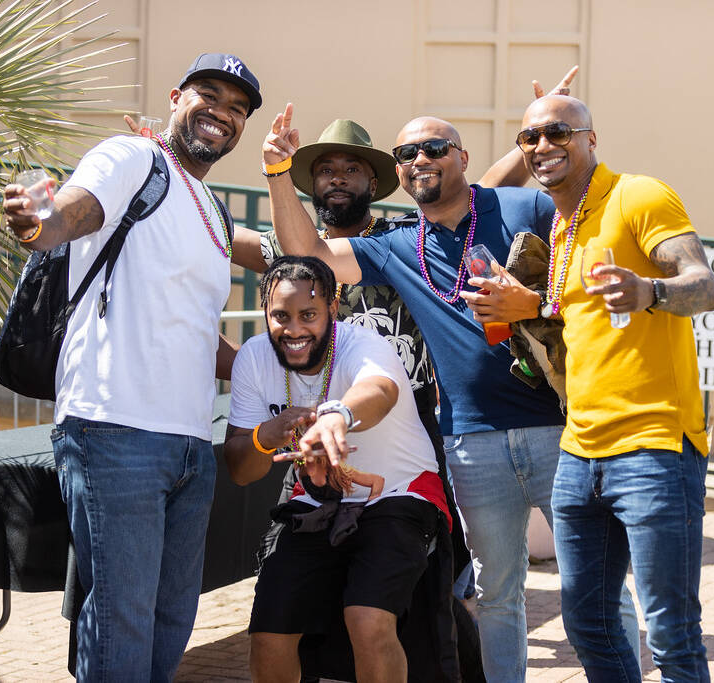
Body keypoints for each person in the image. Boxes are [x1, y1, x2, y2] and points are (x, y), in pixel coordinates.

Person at [263, 103, 640, 681]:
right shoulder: (396, 246)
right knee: (495, 591)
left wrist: (537, 303)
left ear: (463, 158)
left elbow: (591, 272)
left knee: (594, 582)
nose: (420, 160)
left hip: (560, 432)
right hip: (470, 441)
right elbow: (308, 257)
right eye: (407, 153)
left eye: (434, 148)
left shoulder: (524, 207)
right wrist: (278, 171)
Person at [1, 52, 263, 681]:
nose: (221, 114)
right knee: (122, 616)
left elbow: (194, 330)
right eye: (209, 95)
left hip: (191, 443)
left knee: (172, 616)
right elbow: (71, 212)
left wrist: (268, 372)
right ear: (177, 97)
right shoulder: (131, 158)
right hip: (114, 429)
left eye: (237, 108)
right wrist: (42, 222)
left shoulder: (211, 206)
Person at [466, 94, 714, 681]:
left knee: (671, 632)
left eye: (558, 132)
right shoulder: (560, 227)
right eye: (529, 137)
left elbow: (704, 286)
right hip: (579, 452)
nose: (542, 146)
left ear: (590, 138)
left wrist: (650, 291)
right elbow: (575, 322)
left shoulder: (639, 195)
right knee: (590, 625)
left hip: (654, 447)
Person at [224, 255, 450, 683]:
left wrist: (338, 416)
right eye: (280, 316)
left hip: (400, 492)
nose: (294, 330)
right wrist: (266, 434)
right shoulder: (254, 358)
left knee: (366, 619)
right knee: (269, 630)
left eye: (308, 314)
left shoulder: (362, 343)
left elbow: (379, 389)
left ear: (332, 309)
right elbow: (241, 470)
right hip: (316, 499)